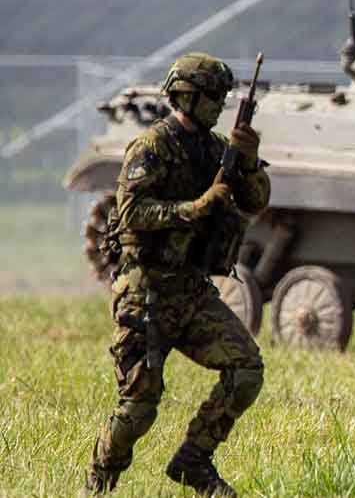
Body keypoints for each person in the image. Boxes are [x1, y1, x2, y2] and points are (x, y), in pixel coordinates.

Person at [83, 53, 271, 497]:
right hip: (145, 295)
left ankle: (194, 460)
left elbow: (255, 200)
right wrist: (195, 208)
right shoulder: (152, 146)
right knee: (138, 410)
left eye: (224, 99)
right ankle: (100, 478)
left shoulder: (215, 148)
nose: (220, 106)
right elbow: (130, 211)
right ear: (186, 97)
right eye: (213, 98)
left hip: (191, 294)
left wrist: (247, 159)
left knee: (246, 369)